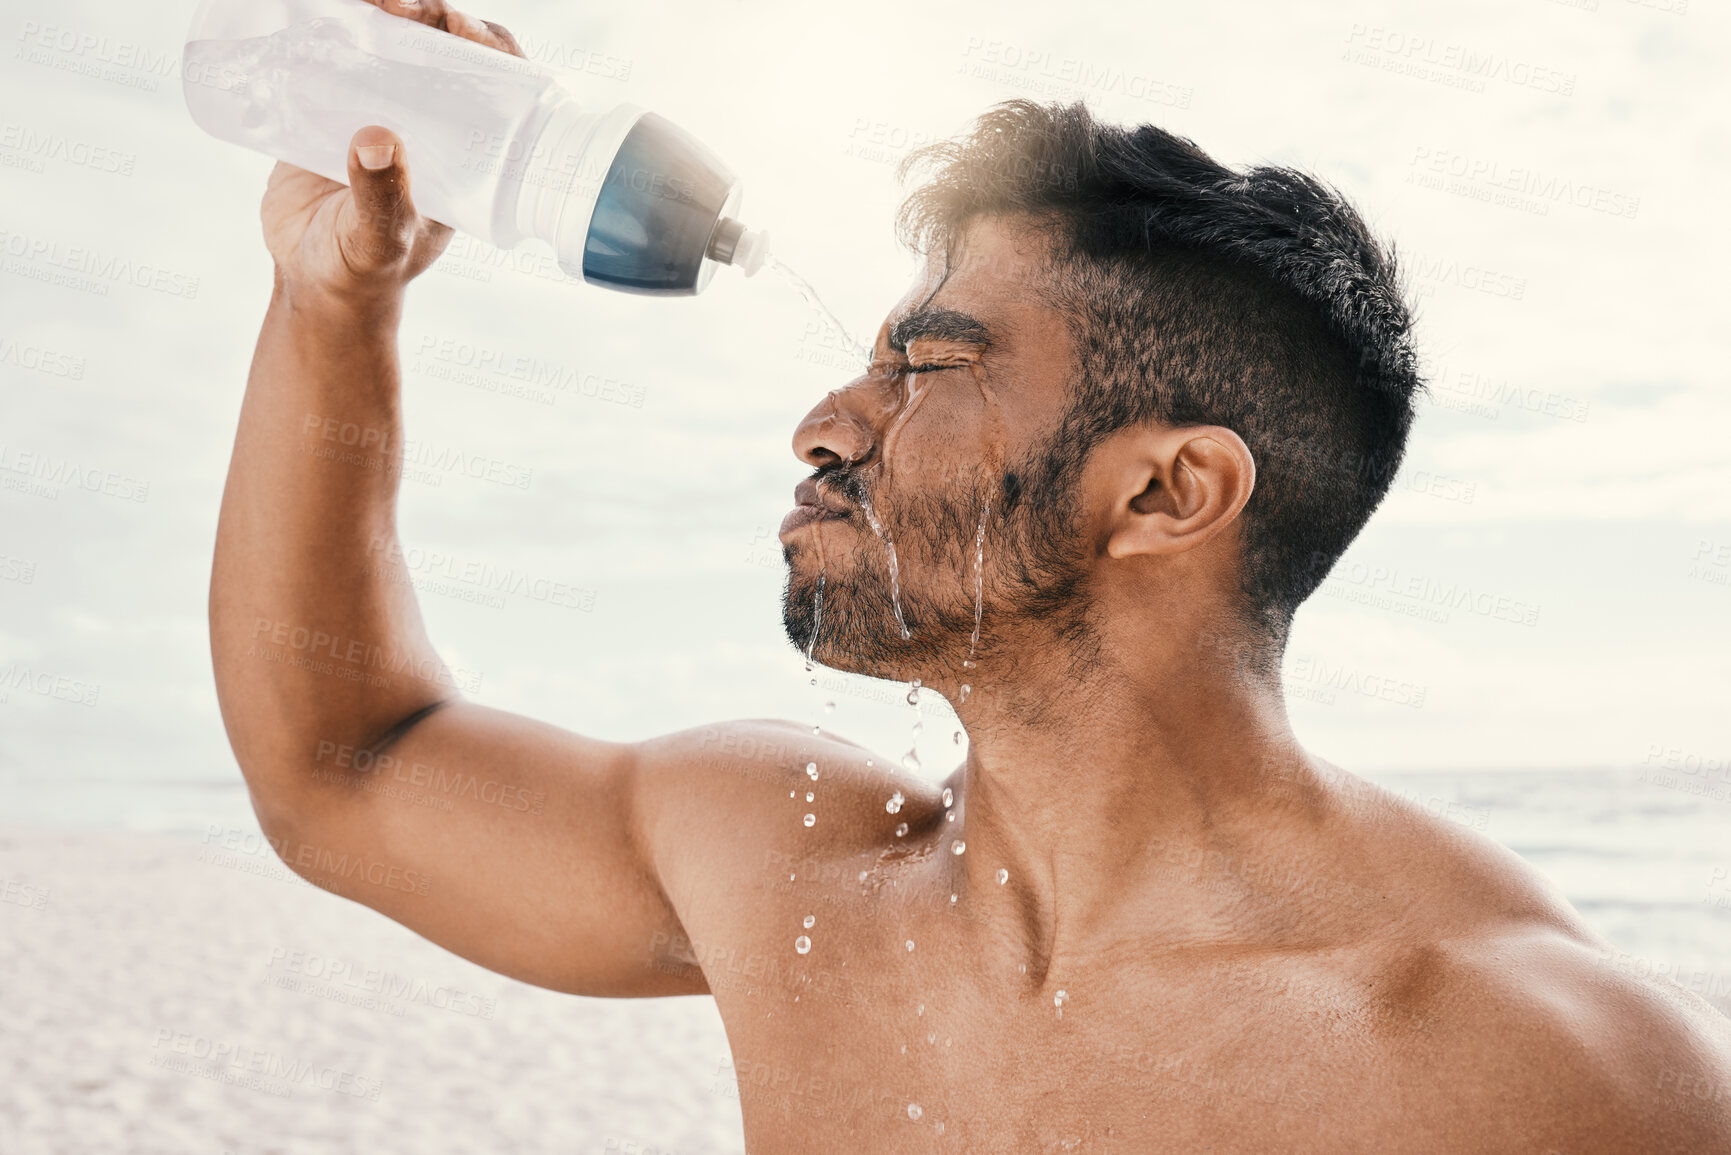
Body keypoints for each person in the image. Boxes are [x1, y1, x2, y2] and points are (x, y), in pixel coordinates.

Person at [209, 2, 1731, 1149]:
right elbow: (341, 772)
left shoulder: (1528, 1074)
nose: (822, 424)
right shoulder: (802, 876)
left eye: (927, 362)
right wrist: (332, 303)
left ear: (1163, 491)